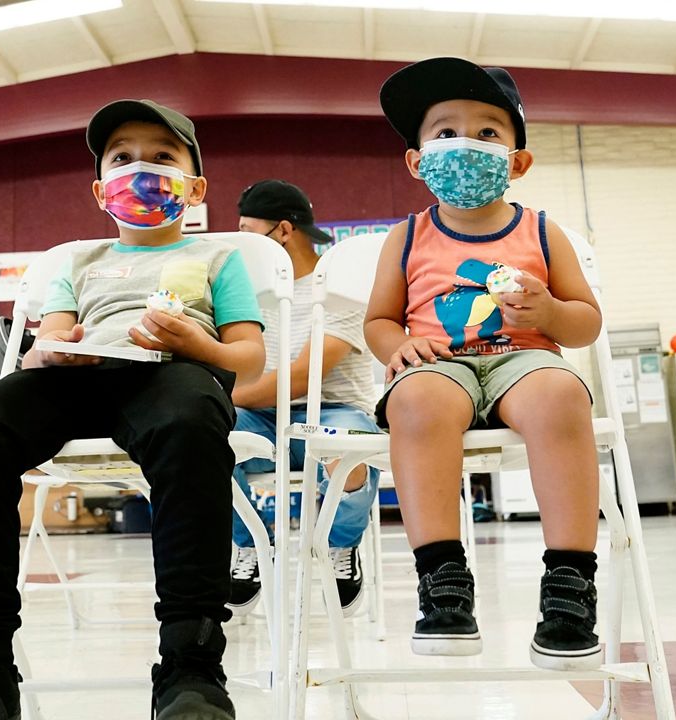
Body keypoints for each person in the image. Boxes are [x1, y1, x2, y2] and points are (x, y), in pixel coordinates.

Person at [0, 99, 265, 720]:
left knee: (192, 418)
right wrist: (52, 354)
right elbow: (52, 340)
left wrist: (197, 344)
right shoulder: (76, 262)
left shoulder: (218, 261)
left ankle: (190, 662)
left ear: (195, 187)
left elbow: (248, 357)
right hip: (78, 379)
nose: (141, 169)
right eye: (123, 158)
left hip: (171, 373)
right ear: (99, 189)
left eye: (162, 157)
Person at [365, 57, 604, 671]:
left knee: (561, 396)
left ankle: (570, 584)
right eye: (444, 132)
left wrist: (548, 309)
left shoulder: (546, 232)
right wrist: (397, 347)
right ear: (417, 161)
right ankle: (441, 578)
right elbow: (379, 319)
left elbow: (585, 322)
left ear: (518, 161)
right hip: (438, 362)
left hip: (524, 357)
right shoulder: (407, 236)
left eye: (487, 132)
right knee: (415, 402)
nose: (464, 144)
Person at [228, 179, 379, 617]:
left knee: (347, 448)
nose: (240, 241)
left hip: (332, 410)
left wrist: (228, 395)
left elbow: (302, 378)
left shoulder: (338, 289)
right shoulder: (250, 295)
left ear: (282, 231)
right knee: (203, 435)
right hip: (262, 418)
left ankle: (340, 548)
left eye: (245, 228)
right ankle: (249, 544)